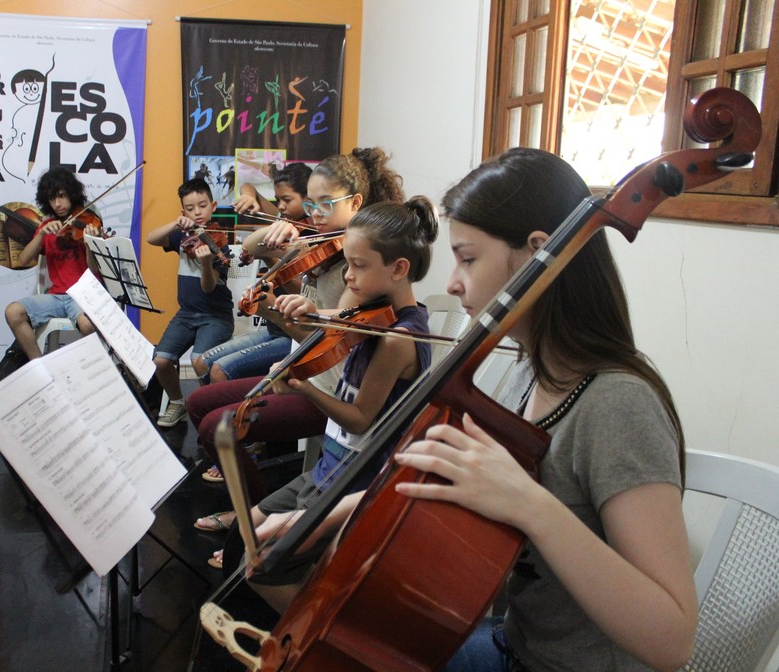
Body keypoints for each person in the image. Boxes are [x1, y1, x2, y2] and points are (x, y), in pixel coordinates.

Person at [255, 148, 697, 671]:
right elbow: (446, 480)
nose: (451, 282)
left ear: (538, 252)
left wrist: (530, 505)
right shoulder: (525, 369)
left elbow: (672, 639)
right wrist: (321, 514)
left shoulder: (617, 404)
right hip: (515, 643)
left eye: (468, 257)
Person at [187, 148, 404, 530]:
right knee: (198, 402)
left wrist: (271, 311)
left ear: (355, 203)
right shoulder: (318, 245)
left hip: (325, 388)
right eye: (310, 205)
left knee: (214, 428)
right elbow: (252, 249)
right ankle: (256, 513)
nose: (315, 215)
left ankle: (248, 520)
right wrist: (277, 228)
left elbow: (328, 346)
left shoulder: (359, 269)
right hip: (297, 371)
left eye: (325, 205)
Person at [193, 163, 314, 386]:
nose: (281, 207)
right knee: (201, 362)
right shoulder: (282, 220)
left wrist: (266, 254)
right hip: (273, 329)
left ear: (309, 197)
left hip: (293, 336)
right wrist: (249, 196)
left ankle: (225, 417)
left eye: (286, 200)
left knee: (219, 370)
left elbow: (302, 291)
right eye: (278, 200)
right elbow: (249, 186)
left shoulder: (312, 238)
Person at [147, 178, 235, 427]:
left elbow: (208, 287)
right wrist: (175, 224)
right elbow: (151, 238)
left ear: (213, 206)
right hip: (186, 313)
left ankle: (210, 406)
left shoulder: (219, 244)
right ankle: (177, 402)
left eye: (202, 205)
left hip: (215, 316)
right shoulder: (182, 237)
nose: (197, 212)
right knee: (161, 360)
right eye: (190, 208)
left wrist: (207, 263)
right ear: (183, 211)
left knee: (200, 361)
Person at [3, 166, 103, 362]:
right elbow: (23, 259)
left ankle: (89, 368)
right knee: (13, 312)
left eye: (62, 196)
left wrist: (90, 243)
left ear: (72, 195)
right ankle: (40, 366)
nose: (58, 204)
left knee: (88, 324)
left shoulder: (86, 222)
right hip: (56, 297)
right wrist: (41, 234)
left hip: (82, 296)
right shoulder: (46, 228)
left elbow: (94, 270)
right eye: (52, 199)